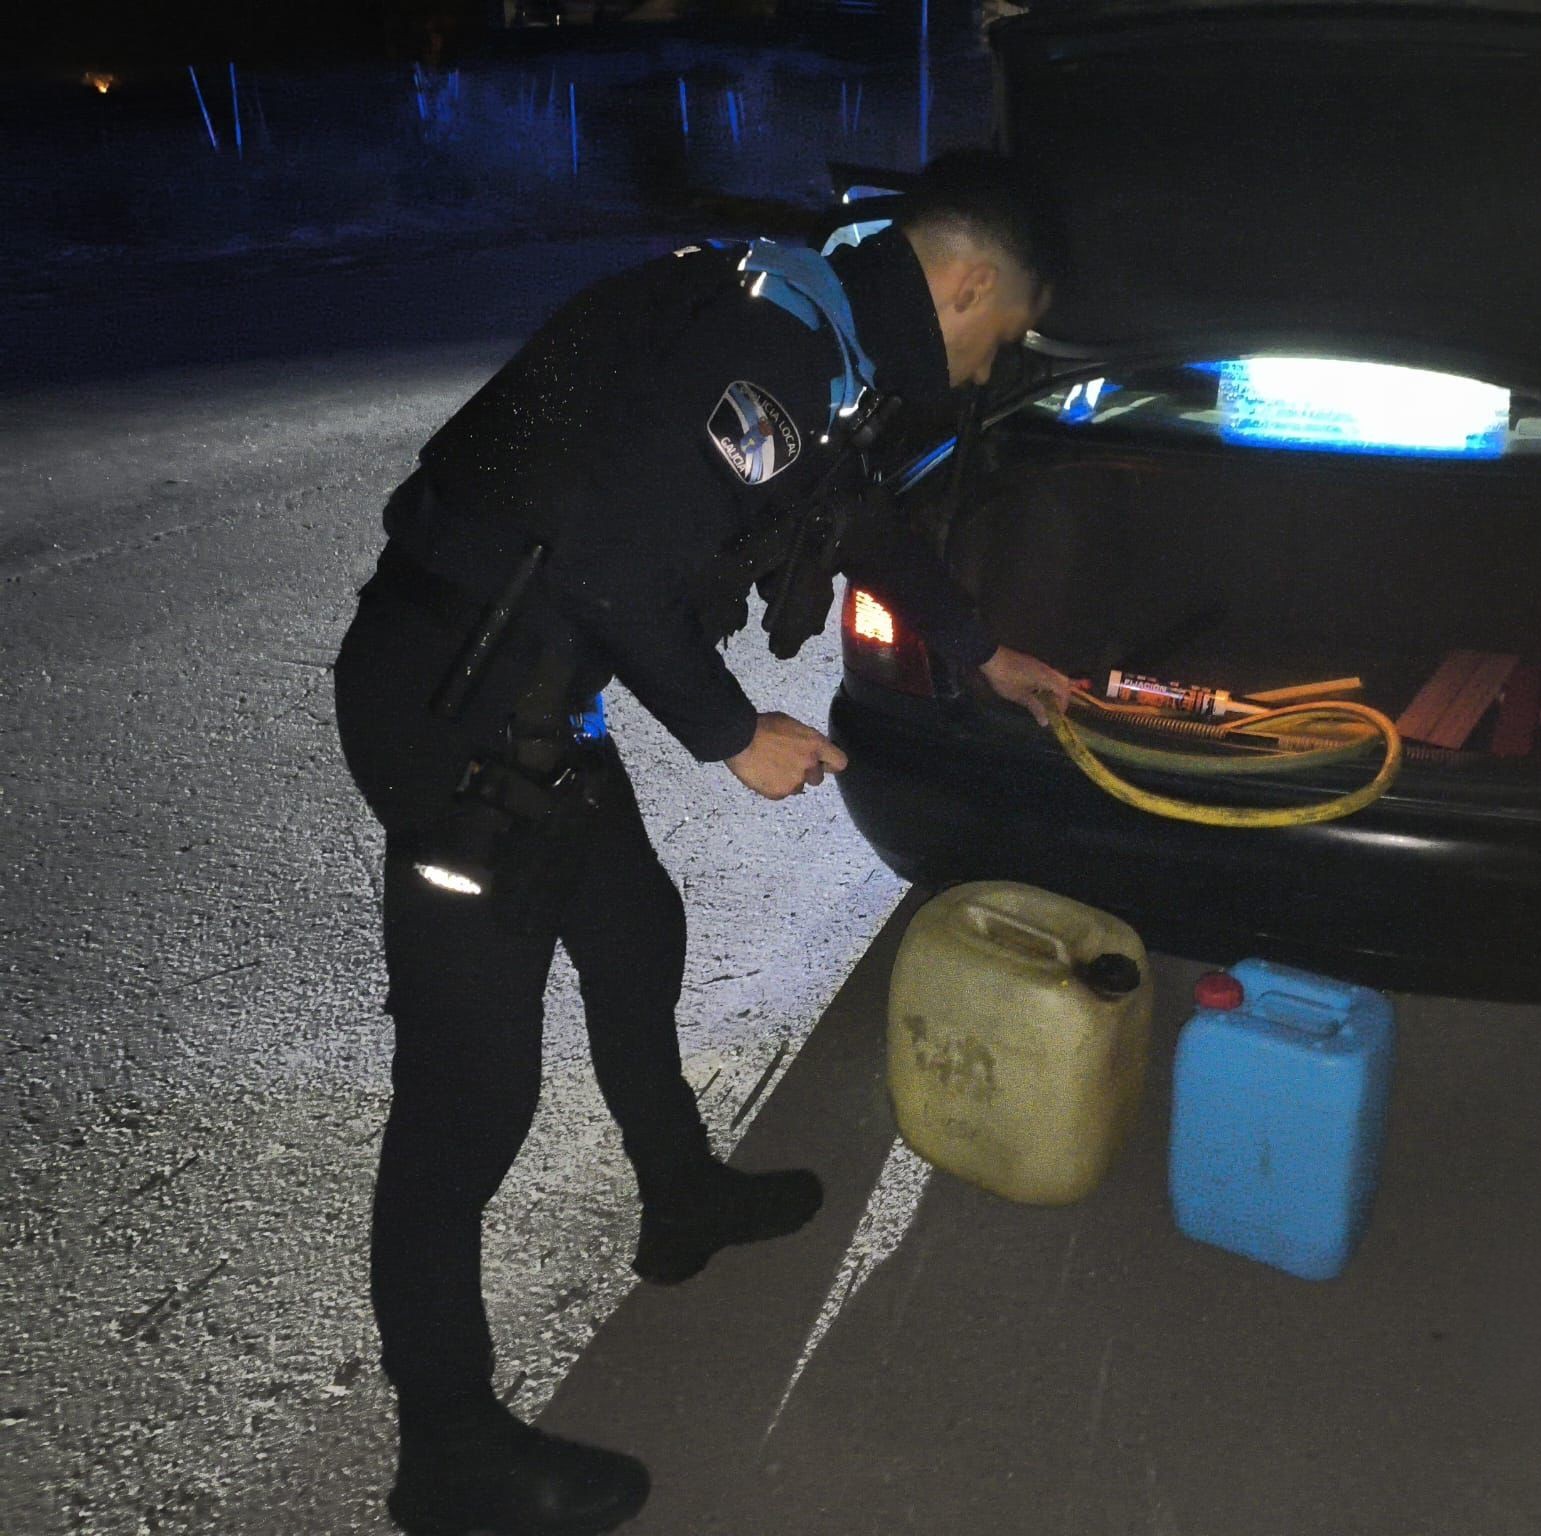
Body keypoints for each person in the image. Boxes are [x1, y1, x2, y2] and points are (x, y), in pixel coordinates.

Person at [331, 149, 1073, 1536]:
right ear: (966, 283)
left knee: (634, 930)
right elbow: (611, 561)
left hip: (536, 707)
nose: (984, 368)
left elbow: (857, 516)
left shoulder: (822, 332)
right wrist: (735, 732)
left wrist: (981, 653)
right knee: (464, 1108)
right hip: (453, 720)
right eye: (1001, 333)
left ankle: (677, 1198)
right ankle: (447, 1455)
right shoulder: (770, 347)